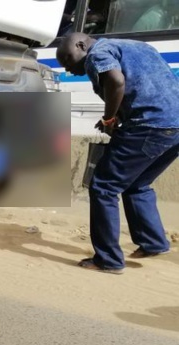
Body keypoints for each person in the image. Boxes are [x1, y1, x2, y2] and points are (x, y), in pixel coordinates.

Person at [57, 33, 179, 273]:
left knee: (103, 187)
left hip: (149, 126)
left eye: (69, 60)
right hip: (174, 126)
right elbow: (145, 85)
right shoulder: (137, 46)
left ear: (81, 45)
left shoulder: (97, 54)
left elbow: (116, 81)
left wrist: (110, 118)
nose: (70, 69)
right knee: (138, 184)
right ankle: (153, 243)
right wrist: (116, 118)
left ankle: (108, 260)